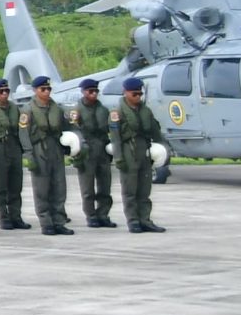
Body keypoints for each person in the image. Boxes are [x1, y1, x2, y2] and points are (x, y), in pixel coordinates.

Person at [22, 76, 74, 235]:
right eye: (42, 89)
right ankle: (46, 222)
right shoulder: (28, 109)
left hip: (56, 150)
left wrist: (71, 145)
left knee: (59, 187)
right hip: (39, 150)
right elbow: (23, 134)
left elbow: (68, 127)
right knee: (42, 188)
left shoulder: (57, 108)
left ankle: (59, 221)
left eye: (48, 89)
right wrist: (29, 154)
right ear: (35, 90)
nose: (46, 92)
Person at [115, 76, 166, 233]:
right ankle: (133, 221)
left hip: (144, 151)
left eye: (139, 94)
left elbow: (155, 131)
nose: (137, 97)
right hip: (128, 152)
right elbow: (115, 137)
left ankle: (145, 219)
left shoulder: (146, 111)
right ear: (125, 93)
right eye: (134, 94)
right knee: (130, 190)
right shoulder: (117, 113)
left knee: (145, 189)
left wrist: (163, 148)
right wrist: (119, 158)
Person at [0, 79, 29, 229]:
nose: (4, 94)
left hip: (14, 146)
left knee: (16, 184)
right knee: (0, 185)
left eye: (7, 91)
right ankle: (4, 217)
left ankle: (16, 216)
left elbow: (22, 128)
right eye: (1, 91)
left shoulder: (14, 108)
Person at [73, 77, 116, 228]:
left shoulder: (103, 110)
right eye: (91, 91)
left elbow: (111, 129)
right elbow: (73, 131)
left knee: (105, 185)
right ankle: (91, 215)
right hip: (87, 151)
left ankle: (103, 214)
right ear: (84, 92)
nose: (94, 94)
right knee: (87, 187)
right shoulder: (76, 111)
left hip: (102, 150)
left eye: (96, 91)